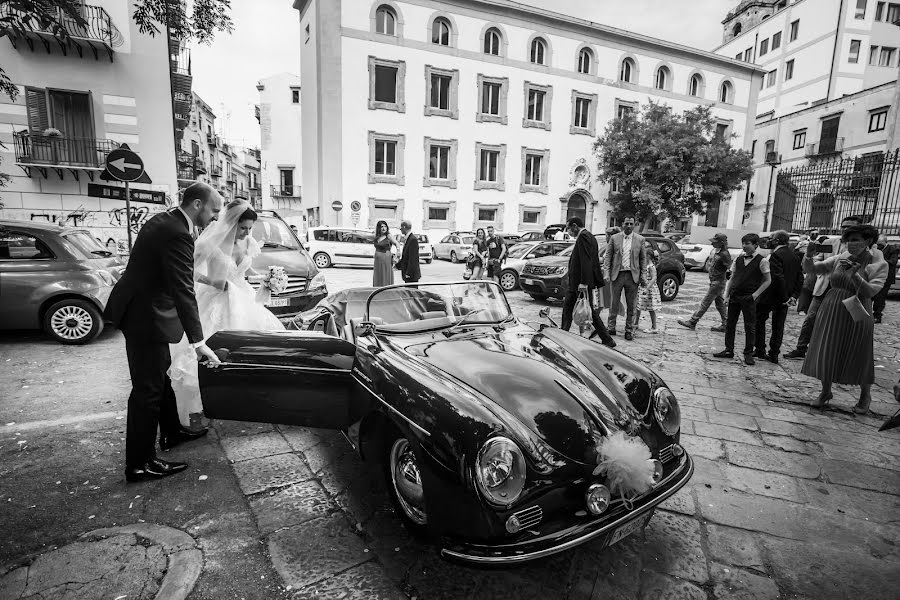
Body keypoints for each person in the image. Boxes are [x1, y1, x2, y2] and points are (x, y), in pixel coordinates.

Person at [105, 182, 222, 482]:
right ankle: (139, 464)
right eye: (214, 211)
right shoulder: (177, 233)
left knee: (161, 376)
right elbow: (183, 290)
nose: (216, 218)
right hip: (145, 317)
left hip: (141, 309)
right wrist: (199, 342)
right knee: (147, 391)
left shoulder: (166, 219)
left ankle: (171, 433)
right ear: (197, 205)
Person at [168, 200, 285, 425]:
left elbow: (246, 270)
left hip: (244, 296)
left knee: (253, 347)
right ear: (232, 223)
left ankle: (242, 399)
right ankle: (200, 405)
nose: (247, 233)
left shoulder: (248, 242)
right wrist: (213, 282)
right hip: (217, 299)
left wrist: (268, 280)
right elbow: (189, 272)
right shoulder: (211, 244)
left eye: (250, 228)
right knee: (212, 349)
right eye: (243, 228)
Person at [801, 224, 887, 413]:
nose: (851, 244)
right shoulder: (841, 257)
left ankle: (865, 395)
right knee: (827, 348)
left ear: (868, 241)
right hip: (832, 307)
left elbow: (871, 291)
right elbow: (814, 269)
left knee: (859, 351)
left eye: (855, 240)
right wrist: (808, 255)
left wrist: (855, 275)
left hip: (857, 309)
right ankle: (825, 392)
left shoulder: (878, 263)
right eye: (848, 240)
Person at [784, 215, 865, 360]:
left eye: (850, 226)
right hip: (824, 287)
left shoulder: (863, 248)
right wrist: (809, 257)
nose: (845, 229)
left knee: (847, 324)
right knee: (811, 318)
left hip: (849, 291)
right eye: (843, 226)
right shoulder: (829, 243)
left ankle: (842, 354)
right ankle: (801, 348)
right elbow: (815, 263)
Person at [714, 233, 771, 365]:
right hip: (735, 295)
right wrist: (727, 295)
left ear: (755, 245)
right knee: (730, 324)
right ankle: (729, 349)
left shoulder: (762, 261)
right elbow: (732, 278)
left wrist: (755, 294)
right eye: (743, 243)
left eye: (748, 244)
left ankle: (748, 353)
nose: (744, 246)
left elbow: (768, 280)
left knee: (750, 325)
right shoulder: (738, 259)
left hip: (749, 296)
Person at [560, 217, 616, 347]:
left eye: (568, 228)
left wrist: (584, 282)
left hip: (579, 283)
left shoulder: (584, 237)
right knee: (587, 310)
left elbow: (586, 261)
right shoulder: (590, 236)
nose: (568, 232)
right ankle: (607, 339)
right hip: (580, 282)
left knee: (568, 309)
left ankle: (562, 335)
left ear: (574, 226)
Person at [753, 230, 803, 364]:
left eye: (772, 238)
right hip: (786, 298)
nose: (769, 240)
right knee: (778, 326)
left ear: (777, 240)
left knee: (759, 320)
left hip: (772, 296)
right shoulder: (795, 255)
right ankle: (774, 353)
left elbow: (777, 277)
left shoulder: (776, 255)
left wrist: (785, 297)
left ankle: (760, 349)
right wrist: (793, 296)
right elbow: (800, 277)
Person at [678, 233, 731, 332]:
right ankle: (726, 323)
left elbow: (729, 268)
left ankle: (693, 321)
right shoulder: (717, 251)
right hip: (715, 281)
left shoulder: (724, 254)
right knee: (720, 304)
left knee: (705, 302)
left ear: (721, 243)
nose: (712, 244)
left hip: (718, 282)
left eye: (715, 242)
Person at [603, 216, 646, 340]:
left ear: (634, 225)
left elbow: (643, 259)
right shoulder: (614, 238)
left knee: (631, 305)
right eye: (626, 223)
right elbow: (608, 257)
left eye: (631, 224)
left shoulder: (640, 239)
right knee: (614, 303)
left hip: (633, 276)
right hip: (618, 275)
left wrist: (643, 275)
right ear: (623, 224)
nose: (628, 226)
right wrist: (607, 273)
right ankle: (611, 327)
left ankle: (629, 330)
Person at [634, 243, 661, 334]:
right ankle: (636, 323)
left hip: (649, 290)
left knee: (651, 308)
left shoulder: (652, 267)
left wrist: (647, 287)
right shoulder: (645, 266)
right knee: (638, 306)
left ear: (648, 256)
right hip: (643, 288)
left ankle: (654, 327)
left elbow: (654, 278)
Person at [873, 234, 898, 323]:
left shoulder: (893, 249)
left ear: (885, 242)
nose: (879, 246)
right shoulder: (875, 249)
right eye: (877, 244)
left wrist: (880, 261)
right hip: (874, 275)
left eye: (880, 244)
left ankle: (877, 315)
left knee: (880, 297)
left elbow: (893, 261)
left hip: (886, 278)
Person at [373, 220, 398, 287]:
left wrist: (398, 252)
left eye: (385, 226)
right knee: (378, 274)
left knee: (385, 273)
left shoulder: (388, 236)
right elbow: (365, 236)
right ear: (378, 228)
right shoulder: (376, 236)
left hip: (386, 258)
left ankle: (386, 288)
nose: (384, 228)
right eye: (381, 227)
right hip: (377, 260)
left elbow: (396, 243)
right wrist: (353, 234)